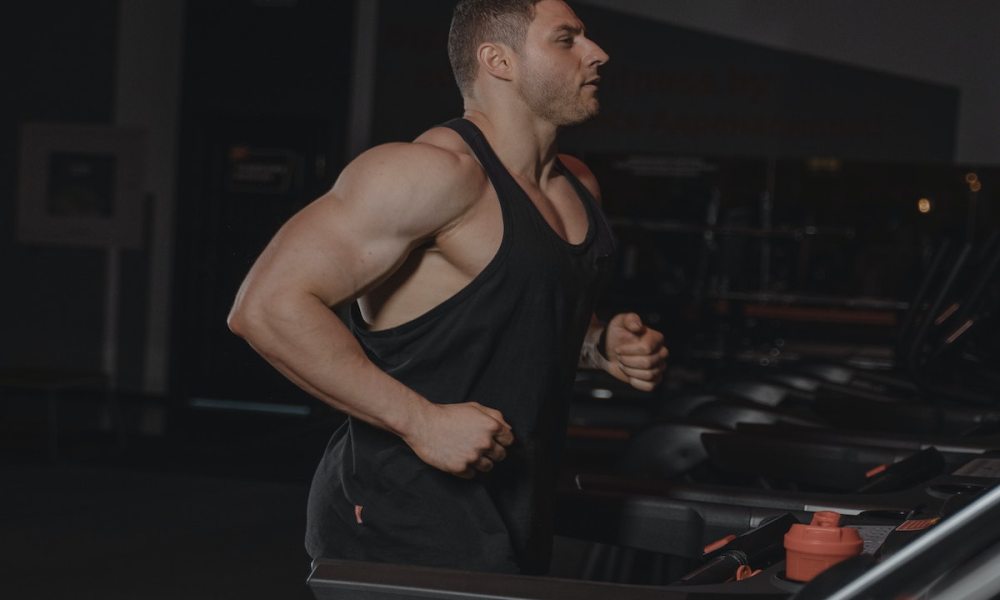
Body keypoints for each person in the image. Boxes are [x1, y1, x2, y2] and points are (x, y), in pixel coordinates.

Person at [228, 0, 667, 575]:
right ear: (498, 60)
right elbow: (265, 307)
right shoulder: (427, 173)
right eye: (567, 39)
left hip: (519, 511)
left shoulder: (577, 186)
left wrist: (599, 343)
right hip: (398, 518)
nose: (597, 52)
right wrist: (421, 420)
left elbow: (516, 309)